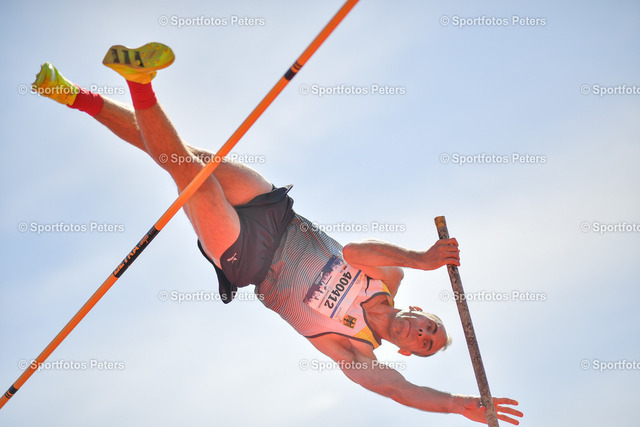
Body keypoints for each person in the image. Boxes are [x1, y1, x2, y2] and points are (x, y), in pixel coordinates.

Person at [31, 42, 523, 425]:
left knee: (189, 176)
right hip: (275, 215)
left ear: (406, 352)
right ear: (419, 312)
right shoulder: (391, 275)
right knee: (186, 155)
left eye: (425, 345)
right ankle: (72, 95)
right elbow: (355, 251)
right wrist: (422, 258)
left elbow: (399, 391)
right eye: (430, 327)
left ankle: (139, 81)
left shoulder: (353, 350)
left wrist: (456, 404)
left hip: (247, 258)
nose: (422, 335)